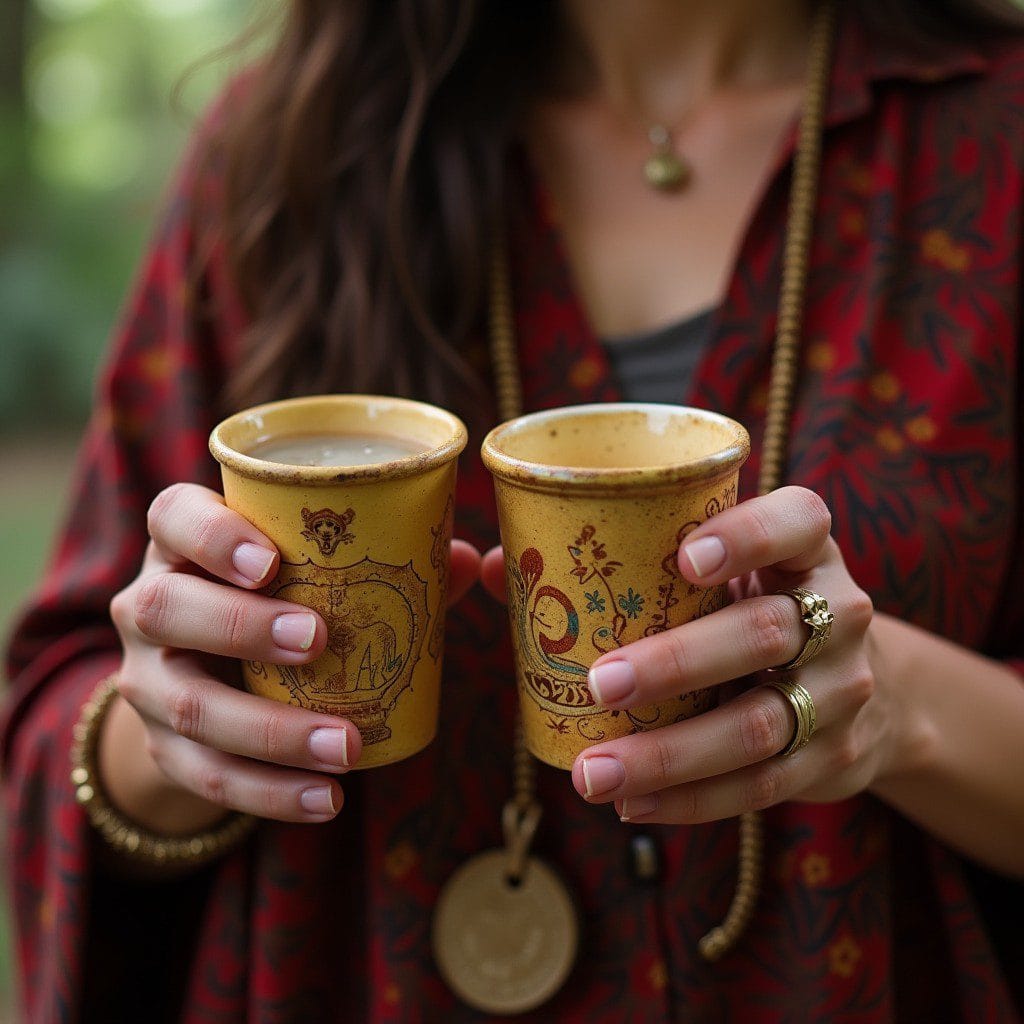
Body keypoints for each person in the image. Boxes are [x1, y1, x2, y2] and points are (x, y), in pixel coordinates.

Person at [4, 0, 1024, 1020]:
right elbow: (56, 712)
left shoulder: (995, 140)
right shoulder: (289, 155)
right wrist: (172, 732)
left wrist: (904, 712)